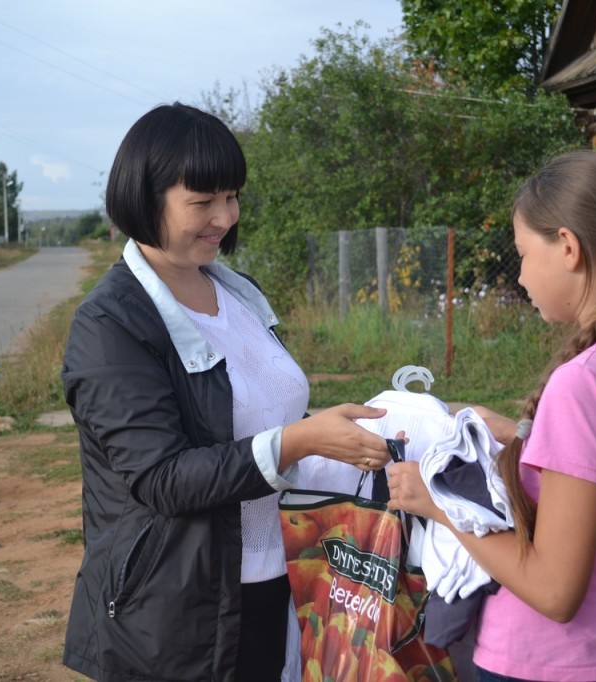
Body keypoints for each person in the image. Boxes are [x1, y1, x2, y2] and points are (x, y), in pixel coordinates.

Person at [60, 102, 392, 682]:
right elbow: (162, 477)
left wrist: (327, 434)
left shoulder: (237, 295)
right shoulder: (111, 324)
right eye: (203, 202)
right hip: (174, 612)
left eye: (232, 196)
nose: (225, 217)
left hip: (280, 576)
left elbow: (258, 416)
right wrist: (298, 440)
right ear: (146, 196)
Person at [387, 150, 596, 682]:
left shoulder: (584, 382)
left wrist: (439, 503)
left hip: (544, 662)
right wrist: (526, 435)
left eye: (524, 254)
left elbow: (554, 591)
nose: (521, 275)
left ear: (568, 247)